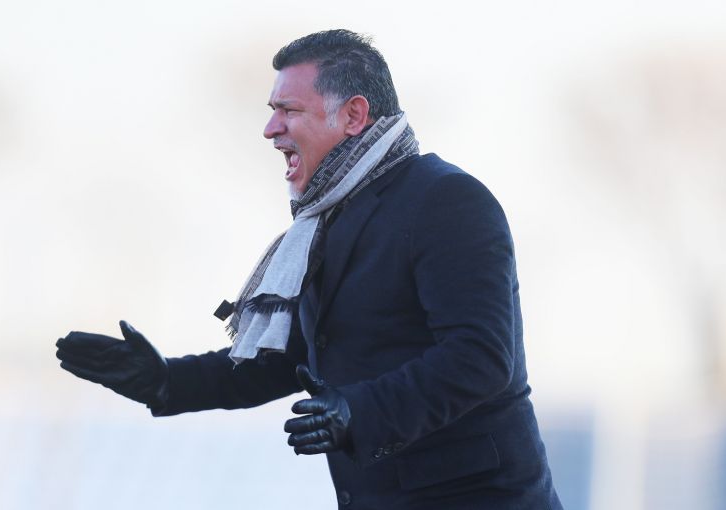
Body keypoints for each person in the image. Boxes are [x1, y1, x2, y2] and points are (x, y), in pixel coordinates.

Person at [56, 29, 563, 509]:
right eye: (272, 111)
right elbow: (294, 355)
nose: (270, 129)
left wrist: (358, 411)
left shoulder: (446, 199)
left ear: (354, 115)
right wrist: (169, 381)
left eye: (289, 110)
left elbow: (479, 358)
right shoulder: (328, 220)